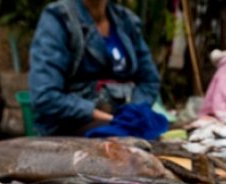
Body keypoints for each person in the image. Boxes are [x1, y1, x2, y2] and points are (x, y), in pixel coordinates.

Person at [28, 0, 161, 136]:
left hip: (124, 120)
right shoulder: (59, 18)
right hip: (71, 126)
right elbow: (44, 95)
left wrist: (132, 113)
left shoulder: (127, 21)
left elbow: (149, 81)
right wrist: (106, 117)